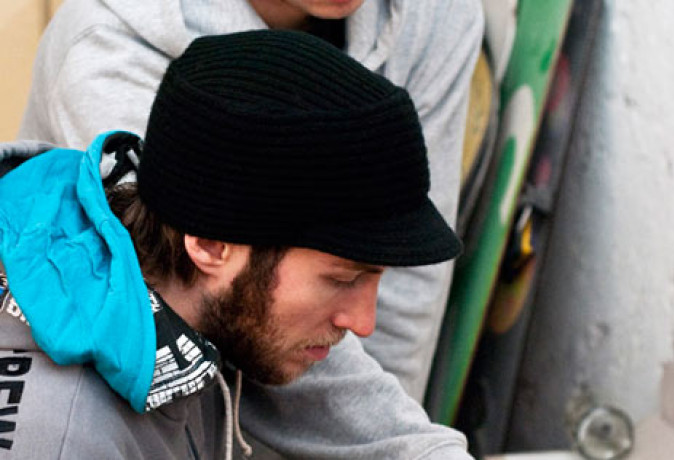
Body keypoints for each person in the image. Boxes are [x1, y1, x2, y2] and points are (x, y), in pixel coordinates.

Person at [0, 31, 472, 459]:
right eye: (341, 279)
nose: (364, 323)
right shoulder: (64, 439)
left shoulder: (195, 323)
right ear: (209, 244)